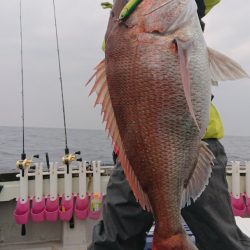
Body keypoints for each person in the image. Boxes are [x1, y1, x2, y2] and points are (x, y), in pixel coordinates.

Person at [88, 1, 250, 249]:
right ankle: (169, 232)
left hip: (194, 143)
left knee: (223, 240)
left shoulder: (149, 21)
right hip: (137, 155)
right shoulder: (126, 24)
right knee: (112, 242)